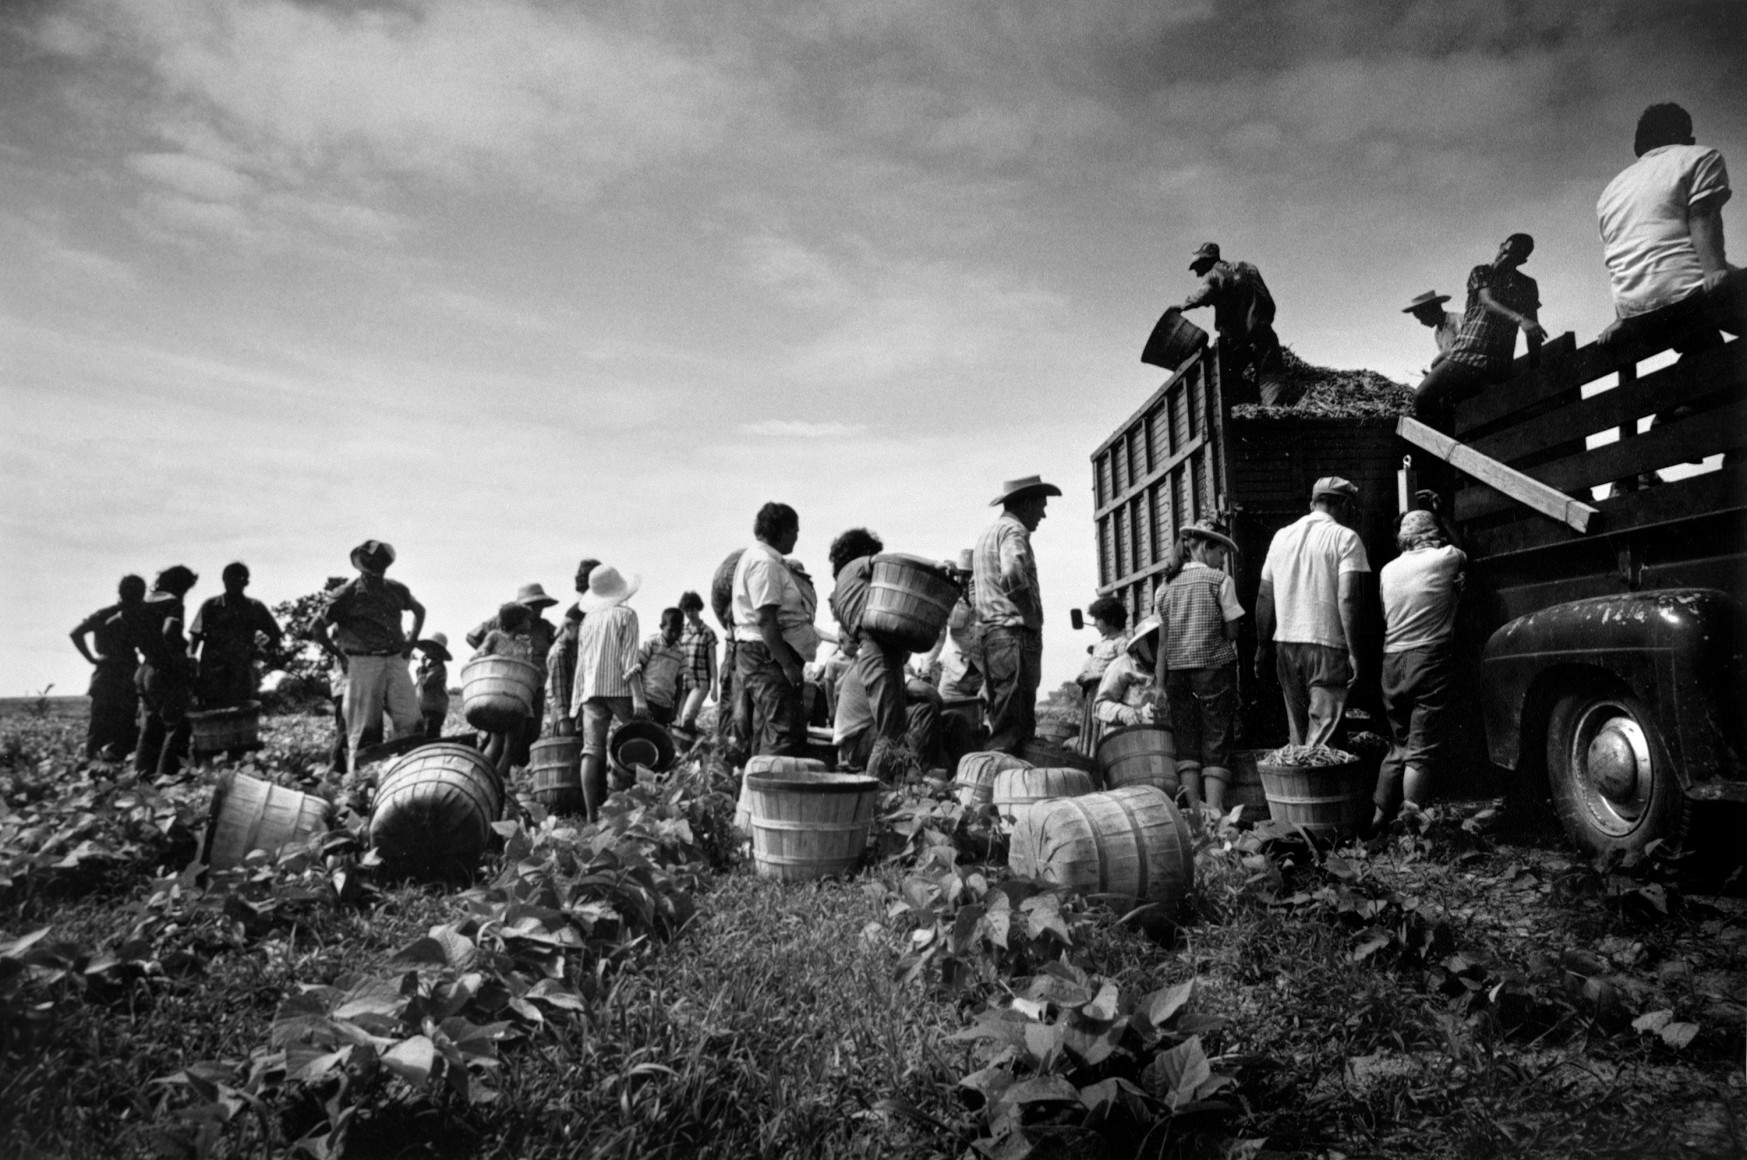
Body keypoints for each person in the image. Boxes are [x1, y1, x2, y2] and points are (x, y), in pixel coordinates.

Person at [1598, 102, 1744, 353]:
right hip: (1691, 302)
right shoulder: (1698, 157)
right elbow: (1702, 216)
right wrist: (1714, 271)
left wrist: (1621, 318)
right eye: (1688, 133)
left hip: (1639, 317)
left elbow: (1622, 254)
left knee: (1707, 351)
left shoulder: (1611, 191)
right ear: (1679, 135)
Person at [1255, 478, 1372, 749]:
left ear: (1313, 503)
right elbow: (1348, 597)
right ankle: (1322, 791)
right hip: (1326, 646)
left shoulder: (1281, 537)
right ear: (1343, 505)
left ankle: (1301, 791)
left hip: (1285, 645)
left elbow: (1264, 596)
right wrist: (1354, 652)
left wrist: (1262, 646)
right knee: (1324, 743)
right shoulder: (1346, 538)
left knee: (1298, 739)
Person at [1374, 499, 1467, 828]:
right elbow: (1463, 550)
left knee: (1399, 746)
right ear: (1434, 534)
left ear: (1404, 539)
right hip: (1427, 659)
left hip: (1392, 661)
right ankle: (1412, 827)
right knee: (1421, 750)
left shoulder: (1388, 570)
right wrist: (1443, 515)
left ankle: (1378, 821)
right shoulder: (1445, 559)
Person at [1154, 520, 1245, 813]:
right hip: (1214, 671)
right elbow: (1232, 633)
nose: (1222, 560)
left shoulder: (1164, 587)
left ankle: (1193, 810)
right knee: (1216, 736)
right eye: (1220, 553)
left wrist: (1158, 686)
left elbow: (1162, 644)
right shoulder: (1220, 581)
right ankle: (1215, 811)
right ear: (1205, 547)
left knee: (1186, 738)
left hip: (1176, 675)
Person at [1413, 234, 1548, 427]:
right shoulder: (1482, 272)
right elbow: (1488, 302)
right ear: (1500, 246)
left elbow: (1533, 329)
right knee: (1422, 395)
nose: (1504, 257)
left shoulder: (1527, 285)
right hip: (1465, 357)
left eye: (1512, 256)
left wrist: (1535, 370)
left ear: (1522, 261)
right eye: (1504, 251)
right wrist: (1520, 319)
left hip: (1497, 363)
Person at [318, 540, 426, 773]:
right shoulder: (347, 593)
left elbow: (420, 611)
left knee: (411, 720)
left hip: (395, 659)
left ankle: (410, 775)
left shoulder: (396, 589)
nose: (376, 568)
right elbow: (316, 627)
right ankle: (357, 785)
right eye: (372, 562)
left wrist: (411, 642)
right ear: (362, 565)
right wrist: (340, 655)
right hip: (362, 662)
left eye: (380, 563)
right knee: (362, 729)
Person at [974, 475, 1058, 753]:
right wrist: (1030, 615)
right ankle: (998, 787)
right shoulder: (1014, 532)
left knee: (1003, 718)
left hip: (993, 636)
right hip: (1014, 635)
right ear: (1026, 503)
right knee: (1014, 729)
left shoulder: (988, 534)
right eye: (1040, 506)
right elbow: (1012, 573)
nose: (1043, 515)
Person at [827, 527, 916, 780]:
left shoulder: (843, 585)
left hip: (874, 649)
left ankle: (879, 794)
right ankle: (875, 798)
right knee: (890, 733)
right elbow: (887, 563)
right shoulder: (856, 565)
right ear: (864, 551)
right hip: (877, 649)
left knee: (892, 731)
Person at [570, 564, 650, 821]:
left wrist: (575, 705)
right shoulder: (626, 616)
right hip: (620, 690)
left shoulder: (587, 622)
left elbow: (581, 666)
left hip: (591, 693)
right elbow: (629, 662)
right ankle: (639, 808)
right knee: (640, 741)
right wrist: (638, 696)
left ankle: (593, 817)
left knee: (592, 750)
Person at [731, 503, 811, 758]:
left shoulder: (760, 558)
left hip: (759, 652)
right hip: (764, 653)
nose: (797, 537)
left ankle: (755, 791)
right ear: (782, 530)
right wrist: (787, 664)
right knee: (784, 729)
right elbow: (765, 618)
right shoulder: (764, 563)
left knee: (765, 726)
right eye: (794, 531)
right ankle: (774, 791)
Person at [112, 565, 199, 779]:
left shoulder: (138, 605)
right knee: (177, 727)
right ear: (181, 585)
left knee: (151, 729)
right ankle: (165, 779)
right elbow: (170, 633)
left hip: (145, 670)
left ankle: (141, 777)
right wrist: (183, 651)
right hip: (165, 670)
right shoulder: (172, 603)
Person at [1182, 242, 1292, 406]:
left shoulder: (1213, 275)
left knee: (1226, 378)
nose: (1197, 273)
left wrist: (1183, 306)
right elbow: (1266, 298)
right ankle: (1276, 415)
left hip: (1237, 341)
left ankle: (1237, 413)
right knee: (1271, 379)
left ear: (1206, 261)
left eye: (1197, 266)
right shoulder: (1248, 267)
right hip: (1264, 332)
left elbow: (1204, 294)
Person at [467, 582, 559, 766]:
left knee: (529, 732)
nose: (537, 611)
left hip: (534, 684)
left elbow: (560, 640)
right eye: (534, 606)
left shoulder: (544, 627)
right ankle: (491, 773)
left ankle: (512, 772)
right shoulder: (497, 625)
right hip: (502, 686)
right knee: (500, 737)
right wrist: (493, 661)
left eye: (540, 606)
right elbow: (473, 638)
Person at [70, 574, 147, 760]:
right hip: (120, 672)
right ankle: (101, 766)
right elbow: (76, 634)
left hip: (112, 673)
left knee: (106, 725)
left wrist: (93, 660)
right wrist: (93, 660)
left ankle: (100, 766)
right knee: (114, 724)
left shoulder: (108, 614)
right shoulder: (135, 615)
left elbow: (76, 633)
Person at [189, 562, 283, 708]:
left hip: (240, 671)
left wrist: (261, 652)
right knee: (212, 712)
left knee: (241, 711)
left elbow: (275, 634)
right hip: (212, 672)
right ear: (223, 580)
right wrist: (191, 660)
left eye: (237, 579)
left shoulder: (254, 607)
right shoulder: (211, 605)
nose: (231, 582)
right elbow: (195, 635)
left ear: (245, 582)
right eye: (228, 578)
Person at [475, 602, 537, 769]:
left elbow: (527, 669)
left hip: (518, 696)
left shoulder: (524, 645)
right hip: (500, 695)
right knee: (497, 743)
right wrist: (482, 653)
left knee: (511, 747)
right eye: (526, 620)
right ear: (517, 621)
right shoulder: (495, 636)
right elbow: (481, 652)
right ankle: (483, 776)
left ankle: (497, 781)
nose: (530, 624)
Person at [1074, 596, 1129, 758]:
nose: (1095, 623)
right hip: (1093, 695)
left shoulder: (1121, 643)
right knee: (1091, 731)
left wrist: (1095, 676)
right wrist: (1084, 674)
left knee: (1103, 731)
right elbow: (1093, 664)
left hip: (1107, 696)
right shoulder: (1101, 643)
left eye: (1098, 619)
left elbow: (1123, 671)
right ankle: (1090, 761)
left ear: (1110, 620)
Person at [1094, 617, 1160, 728]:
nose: (1157, 646)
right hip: (1125, 734)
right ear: (1140, 644)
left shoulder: (1169, 667)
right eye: (1152, 640)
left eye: (1160, 639)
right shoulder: (1122, 666)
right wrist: (1124, 712)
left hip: (1160, 735)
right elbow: (1100, 706)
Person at [635, 608, 688, 727]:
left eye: (678, 631)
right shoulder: (652, 643)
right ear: (661, 626)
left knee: (659, 737)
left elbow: (680, 683)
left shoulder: (681, 653)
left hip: (666, 705)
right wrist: (638, 698)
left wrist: (675, 710)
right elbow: (637, 668)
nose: (674, 634)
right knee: (644, 733)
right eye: (670, 630)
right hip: (647, 700)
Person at [675, 590, 717, 734]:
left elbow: (712, 661)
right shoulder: (681, 632)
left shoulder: (707, 632)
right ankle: (689, 751)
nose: (690, 614)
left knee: (688, 716)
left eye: (692, 610)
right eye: (687, 610)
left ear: (698, 609)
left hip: (700, 682)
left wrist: (715, 686)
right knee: (680, 720)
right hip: (683, 681)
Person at [546, 603, 584, 737]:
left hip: (574, 708)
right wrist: (564, 720)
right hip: (563, 712)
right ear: (568, 627)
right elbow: (559, 690)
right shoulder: (559, 653)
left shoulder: (574, 648)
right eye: (580, 629)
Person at [1402, 291, 1461, 369]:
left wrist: (1438, 359)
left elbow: (1466, 345)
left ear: (1433, 309)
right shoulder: (1437, 334)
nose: (1422, 322)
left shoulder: (1457, 319)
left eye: (1422, 317)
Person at [413, 632, 451, 738]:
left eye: (431, 648)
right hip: (428, 709)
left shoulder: (439, 669)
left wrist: (421, 673)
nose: (427, 650)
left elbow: (425, 684)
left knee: (430, 737)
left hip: (433, 710)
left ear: (438, 652)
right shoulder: (431, 667)